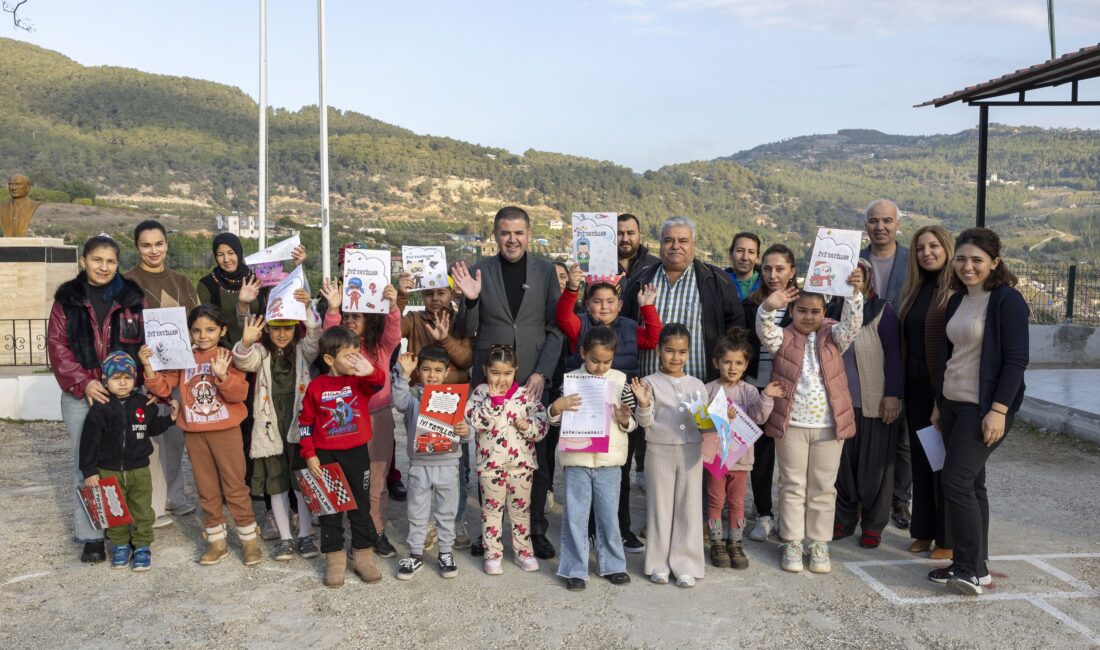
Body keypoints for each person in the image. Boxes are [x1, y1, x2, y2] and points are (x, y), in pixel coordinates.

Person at [452, 206, 563, 560]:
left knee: (537, 461)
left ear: (528, 234)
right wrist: (469, 301)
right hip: (492, 382)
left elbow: (555, 328)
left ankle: (535, 530)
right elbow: (464, 331)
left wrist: (540, 372)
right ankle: (491, 535)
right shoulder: (479, 270)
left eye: (518, 232)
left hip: (532, 380)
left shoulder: (546, 272)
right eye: (504, 232)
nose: (511, 239)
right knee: (489, 459)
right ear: (495, 235)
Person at [928, 228, 1028, 596]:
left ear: (994, 263)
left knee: (955, 481)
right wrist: (939, 403)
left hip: (982, 409)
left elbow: (1017, 360)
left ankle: (968, 568)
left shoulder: (1007, 301)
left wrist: (999, 410)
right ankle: (975, 567)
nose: (967, 266)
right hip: (952, 405)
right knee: (973, 484)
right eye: (962, 259)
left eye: (977, 260)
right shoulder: (957, 300)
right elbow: (949, 355)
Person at [48, 234, 146, 563]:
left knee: (126, 461)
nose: (104, 267)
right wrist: (85, 383)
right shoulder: (67, 300)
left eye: (111, 261)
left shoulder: (133, 298)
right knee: (86, 463)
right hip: (81, 395)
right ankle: (92, 535)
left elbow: (147, 340)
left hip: (125, 394)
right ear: (83, 261)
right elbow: (58, 348)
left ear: (118, 264)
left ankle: (127, 532)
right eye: (97, 260)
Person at [757, 274, 862, 575]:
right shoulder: (782, 337)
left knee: (823, 487)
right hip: (791, 425)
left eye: (815, 311)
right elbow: (765, 330)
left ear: (824, 312)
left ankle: (818, 542)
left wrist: (854, 294)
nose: (808, 316)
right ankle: (791, 541)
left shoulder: (834, 336)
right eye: (801, 310)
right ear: (791, 311)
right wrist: (767, 307)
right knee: (791, 485)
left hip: (829, 426)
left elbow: (853, 325)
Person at [142, 305, 260, 566]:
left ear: (223, 330)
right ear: (189, 333)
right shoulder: (182, 357)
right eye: (196, 330)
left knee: (235, 486)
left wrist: (222, 376)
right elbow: (163, 387)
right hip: (195, 433)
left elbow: (239, 395)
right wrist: (148, 367)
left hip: (226, 432)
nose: (203, 335)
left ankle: (248, 538)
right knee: (206, 488)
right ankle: (216, 540)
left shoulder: (229, 356)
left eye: (210, 330)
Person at [557, 266, 661, 553]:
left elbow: (654, 339)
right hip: (585, 412)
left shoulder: (629, 326)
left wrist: (648, 308)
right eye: (597, 301)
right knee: (584, 474)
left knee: (619, 475)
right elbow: (562, 317)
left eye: (610, 301)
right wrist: (572, 288)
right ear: (588, 304)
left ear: (620, 304)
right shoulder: (579, 325)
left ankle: (621, 528)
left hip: (618, 411)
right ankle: (589, 532)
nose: (604, 306)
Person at [320, 273, 403, 559]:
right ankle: (347, 532)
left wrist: (392, 307)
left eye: (358, 316)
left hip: (378, 417)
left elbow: (394, 334)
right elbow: (328, 339)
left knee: (377, 480)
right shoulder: (339, 349)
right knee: (345, 477)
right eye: (347, 315)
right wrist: (332, 309)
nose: (351, 320)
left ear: (370, 319)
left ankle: (376, 531)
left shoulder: (379, 347)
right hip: (346, 420)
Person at [298, 326, 389, 587]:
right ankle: (335, 558)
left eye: (357, 354)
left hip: (357, 453)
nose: (355, 360)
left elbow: (378, 382)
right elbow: (305, 424)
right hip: (326, 454)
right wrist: (310, 454)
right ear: (329, 359)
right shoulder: (316, 387)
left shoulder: (360, 380)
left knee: (360, 506)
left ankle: (362, 555)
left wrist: (369, 369)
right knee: (330, 509)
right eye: (349, 356)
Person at [232, 299, 322, 561]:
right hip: (270, 429)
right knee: (276, 484)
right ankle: (285, 537)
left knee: (301, 482)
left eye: (288, 328)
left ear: (296, 328)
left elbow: (315, 337)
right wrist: (246, 342)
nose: (282, 334)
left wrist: (306, 309)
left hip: (297, 426)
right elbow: (244, 362)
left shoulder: (302, 352)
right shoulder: (261, 352)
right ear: (267, 330)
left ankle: (305, 533)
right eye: (275, 329)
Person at [125, 219, 200, 529]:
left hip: (180, 374)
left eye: (158, 244)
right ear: (137, 247)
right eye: (146, 245)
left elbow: (196, 320)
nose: (153, 250)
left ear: (166, 245)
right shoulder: (126, 283)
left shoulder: (182, 281)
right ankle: (152, 506)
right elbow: (124, 330)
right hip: (146, 375)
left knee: (175, 437)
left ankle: (176, 496)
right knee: (149, 442)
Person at [550, 326, 637, 591]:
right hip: (577, 460)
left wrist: (626, 420)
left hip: (609, 461)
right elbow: (554, 419)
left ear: (614, 358)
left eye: (606, 361)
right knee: (575, 515)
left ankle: (613, 564)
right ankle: (574, 569)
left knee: (609, 515)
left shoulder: (621, 382)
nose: (600, 367)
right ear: (583, 353)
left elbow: (631, 422)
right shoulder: (570, 381)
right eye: (594, 360)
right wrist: (557, 408)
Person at [395, 271, 474, 549]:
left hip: (453, 400)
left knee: (457, 468)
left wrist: (443, 340)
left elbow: (466, 357)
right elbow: (391, 331)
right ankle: (425, 524)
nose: (435, 299)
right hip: (420, 399)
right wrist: (402, 296)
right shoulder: (414, 319)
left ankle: (454, 520)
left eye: (440, 292)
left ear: (451, 294)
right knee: (422, 466)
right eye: (428, 293)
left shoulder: (461, 321)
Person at [79, 351, 178, 571]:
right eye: (116, 378)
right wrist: (89, 471)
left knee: (143, 510)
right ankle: (121, 545)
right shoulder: (100, 408)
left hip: (138, 470)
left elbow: (151, 428)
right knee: (115, 512)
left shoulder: (143, 403)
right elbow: (89, 442)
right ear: (106, 381)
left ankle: (142, 546)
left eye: (128, 377)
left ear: (135, 379)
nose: (123, 383)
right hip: (108, 471)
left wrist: (169, 419)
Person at [827, 260, 902, 550]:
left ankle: (873, 524)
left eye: (858, 274)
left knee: (875, 470)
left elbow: (895, 355)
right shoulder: (831, 312)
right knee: (842, 467)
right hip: (840, 404)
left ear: (868, 279)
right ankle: (844, 519)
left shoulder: (883, 310)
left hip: (873, 402)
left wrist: (892, 395)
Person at [633, 323, 708, 587]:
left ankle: (685, 562)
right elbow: (644, 422)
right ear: (658, 351)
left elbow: (704, 423)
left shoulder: (697, 385)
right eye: (669, 351)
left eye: (682, 352)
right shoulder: (649, 383)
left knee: (688, 505)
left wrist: (720, 419)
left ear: (689, 353)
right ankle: (658, 563)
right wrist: (643, 404)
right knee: (660, 505)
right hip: (658, 448)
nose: (676, 357)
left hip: (691, 450)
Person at [465, 344, 550, 575]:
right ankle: (492, 553)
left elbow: (543, 426)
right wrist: (494, 403)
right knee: (491, 511)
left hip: (522, 466)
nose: (501, 379)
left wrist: (529, 426)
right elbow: (478, 421)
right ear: (485, 370)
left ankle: (524, 551)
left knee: (521, 511)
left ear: (515, 370)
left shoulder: (526, 396)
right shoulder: (480, 393)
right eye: (495, 373)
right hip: (490, 466)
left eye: (507, 373)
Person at [898, 225, 955, 559]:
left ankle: (946, 538)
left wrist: (941, 397)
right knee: (921, 459)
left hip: (940, 385)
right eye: (920, 248)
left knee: (942, 463)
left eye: (934, 246)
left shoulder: (954, 292)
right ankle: (922, 529)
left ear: (946, 249)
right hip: (914, 384)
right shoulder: (915, 288)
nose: (927, 253)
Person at [703, 329, 782, 570]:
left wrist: (766, 396)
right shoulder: (708, 389)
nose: (732, 367)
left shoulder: (749, 392)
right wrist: (718, 416)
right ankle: (716, 542)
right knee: (715, 501)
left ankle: (735, 543)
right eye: (726, 362)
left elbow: (758, 417)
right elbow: (700, 422)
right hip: (717, 459)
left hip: (741, 460)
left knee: (737, 502)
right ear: (717, 362)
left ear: (746, 365)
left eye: (738, 363)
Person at [392, 347, 470, 580]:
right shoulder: (413, 396)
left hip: (448, 464)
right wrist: (404, 375)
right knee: (417, 511)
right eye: (426, 369)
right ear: (419, 371)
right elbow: (398, 402)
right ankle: (416, 553)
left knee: (446, 512)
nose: (432, 375)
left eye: (438, 370)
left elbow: (468, 430)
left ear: (447, 372)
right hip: (420, 464)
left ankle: (445, 552)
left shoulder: (456, 397)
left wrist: (467, 432)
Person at [860, 199, 913, 529]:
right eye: (874, 221)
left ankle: (900, 500)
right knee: (867, 432)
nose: (880, 226)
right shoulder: (853, 259)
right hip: (862, 352)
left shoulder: (912, 262)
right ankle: (865, 498)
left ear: (897, 224)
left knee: (903, 437)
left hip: (904, 351)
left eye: (887, 221)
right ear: (866, 225)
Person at [743, 243, 798, 543]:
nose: (773, 274)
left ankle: (791, 517)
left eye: (779, 268)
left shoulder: (803, 304)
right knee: (761, 457)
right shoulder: (752, 303)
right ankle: (763, 513)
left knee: (791, 459)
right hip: (758, 388)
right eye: (767, 268)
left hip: (791, 391)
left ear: (792, 271)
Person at [617, 213, 659, 284]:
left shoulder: (656, 265)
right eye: (620, 233)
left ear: (640, 235)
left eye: (630, 233)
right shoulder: (601, 266)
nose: (625, 239)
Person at [725, 232, 762, 301]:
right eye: (740, 251)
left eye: (751, 252)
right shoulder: (719, 282)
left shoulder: (766, 284)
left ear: (757, 257)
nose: (745, 258)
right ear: (730, 254)